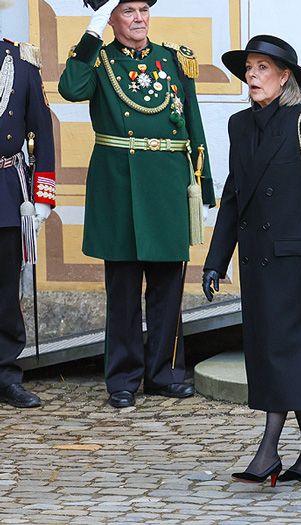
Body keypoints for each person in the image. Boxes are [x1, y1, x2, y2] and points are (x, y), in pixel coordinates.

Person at [58, 0, 215, 409]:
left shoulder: (174, 60)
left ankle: (163, 374)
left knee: (168, 286)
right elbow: (70, 89)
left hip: (167, 183)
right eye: (128, 11)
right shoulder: (99, 60)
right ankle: (123, 379)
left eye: (143, 9)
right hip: (120, 187)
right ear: (111, 19)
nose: (139, 18)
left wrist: (204, 184)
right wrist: (91, 34)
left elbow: (193, 121)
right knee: (124, 290)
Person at [202, 35, 301, 487]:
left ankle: (267, 452)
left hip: (297, 266)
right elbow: (234, 196)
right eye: (249, 68)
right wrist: (216, 261)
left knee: (284, 355)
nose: (252, 76)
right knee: (271, 356)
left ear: (285, 78)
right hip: (257, 264)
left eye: (262, 68)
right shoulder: (240, 125)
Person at [0, 2, 55, 408]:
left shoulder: (20, 62)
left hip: (5, 189)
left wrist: (43, 197)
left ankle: (5, 374)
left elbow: (42, 130)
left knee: (5, 289)